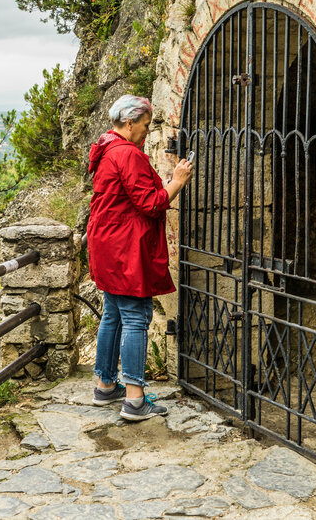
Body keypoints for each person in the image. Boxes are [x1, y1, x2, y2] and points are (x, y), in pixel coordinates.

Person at [86, 95, 193, 421]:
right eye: (145, 126)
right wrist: (177, 182)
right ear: (129, 123)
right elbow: (150, 204)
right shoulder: (127, 155)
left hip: (106, 243)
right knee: (135, 317)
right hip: (125, 248)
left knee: (113, 315)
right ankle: (134, 399)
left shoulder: (106, 148)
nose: (147, 133)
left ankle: (106, 385)